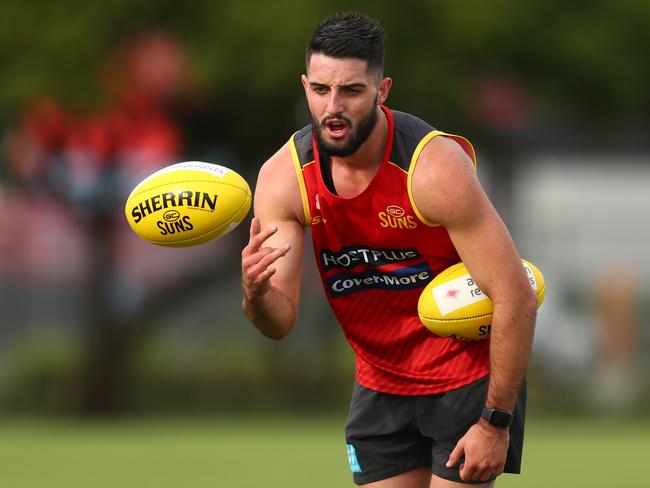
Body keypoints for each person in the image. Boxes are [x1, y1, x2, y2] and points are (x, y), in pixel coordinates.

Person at [241, 12, 537, 487]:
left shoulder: (434, 169)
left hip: (464, 382)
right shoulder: (284, 179)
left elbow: (515, 296)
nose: (332, 107)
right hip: (379, 384)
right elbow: (279, 322)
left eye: (351, 91)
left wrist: (495, 421)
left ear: (382, 91)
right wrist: (255, 294)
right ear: (305, 87)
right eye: (320, 90)